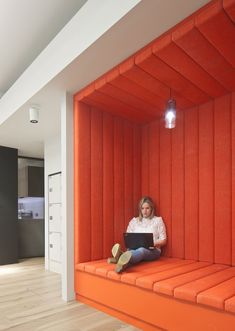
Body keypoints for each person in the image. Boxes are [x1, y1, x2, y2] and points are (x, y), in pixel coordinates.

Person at [108, 196, 167, 273]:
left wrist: (152, 243)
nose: (144, 211)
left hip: (153, 250)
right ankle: (121, 264)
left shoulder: (158, 220)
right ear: (140, 209)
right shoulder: (134, 221)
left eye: (147, 208)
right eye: (142, 208)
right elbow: (128, 237)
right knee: (131, 250)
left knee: (141, 250)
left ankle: (119, 256)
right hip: (134, 249)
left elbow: (164, 240)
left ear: (151, 209)